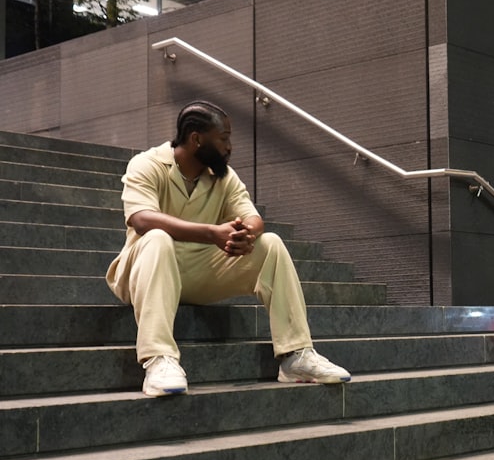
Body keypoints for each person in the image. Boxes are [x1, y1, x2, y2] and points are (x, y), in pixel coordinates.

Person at [106, 100, 350, 397]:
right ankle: (159, 360)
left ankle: (296, 356)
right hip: (143, 269)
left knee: (270, 243)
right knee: (158, 238)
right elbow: (141, 219)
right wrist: (212, 233)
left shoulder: (223, 176)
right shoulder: (148, 164)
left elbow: (252, 217)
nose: (229, 146)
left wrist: (246, 234)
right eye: (223, 138)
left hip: (196, 273)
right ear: (196, 139)